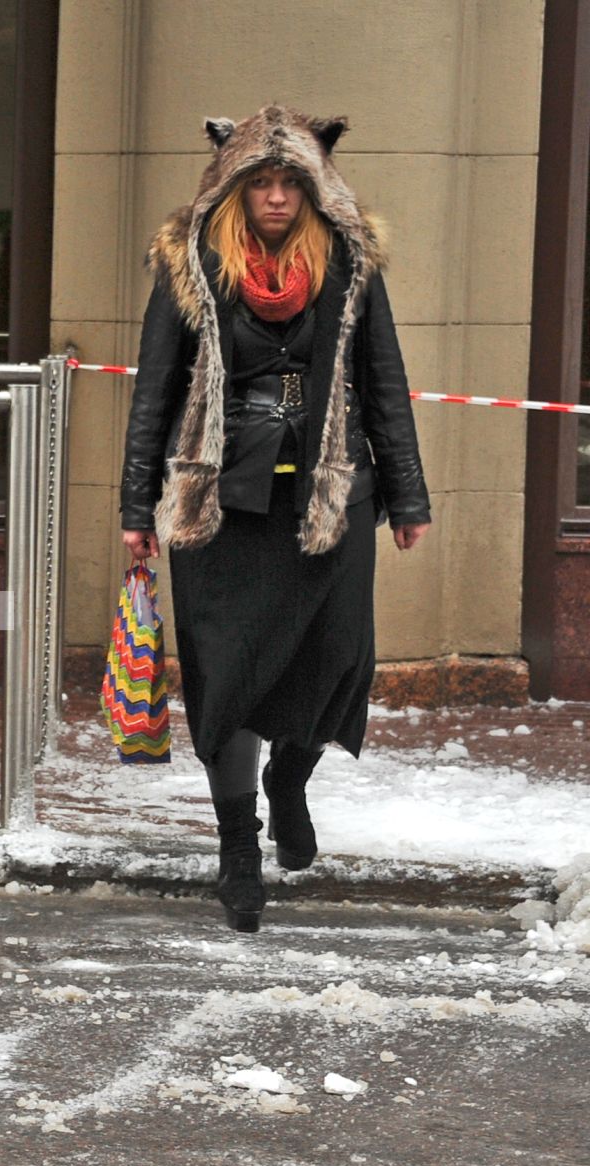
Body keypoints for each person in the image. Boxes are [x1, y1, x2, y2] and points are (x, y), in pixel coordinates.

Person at [118, 107, 432, 933]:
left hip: (331, 498)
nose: (276, 197)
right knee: (228, 680)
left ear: (313, 189)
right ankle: (237, 849)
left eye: (291, 182)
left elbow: (385, 380)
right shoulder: (190, 264)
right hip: (221, 504)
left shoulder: (351, 262)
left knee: (340, 662)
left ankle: (288, 780)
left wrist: (408, 497)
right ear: (234, 187)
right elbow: (155, 390)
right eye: (261, 181)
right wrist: (134, 504)